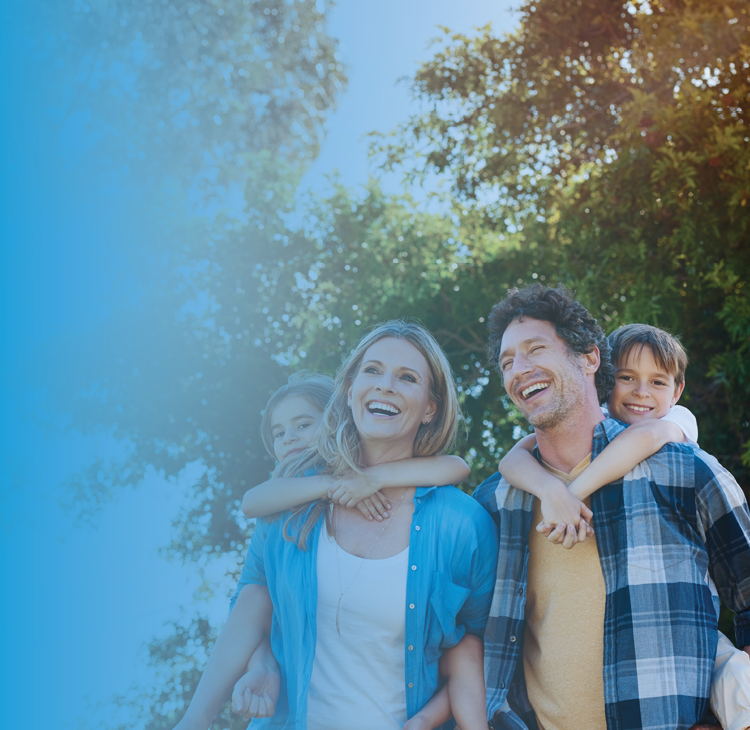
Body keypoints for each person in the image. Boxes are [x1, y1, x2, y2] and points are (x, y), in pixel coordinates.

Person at [176, 323, 499, 730]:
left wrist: (423, 721)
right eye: (373, 371)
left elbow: (475, 650)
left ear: (431, 407)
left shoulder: (463, 525)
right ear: (349, 390)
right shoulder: (292, 505)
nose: (386, 386)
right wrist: (251, 674)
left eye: (407, 377)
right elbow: (251, 602)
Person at [473, 284, 750, 730]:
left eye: (535, 349)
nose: (518, 370)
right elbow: (465, 636)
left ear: (589, 358)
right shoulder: (495, 501)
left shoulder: (683, 470)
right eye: (508, 362)